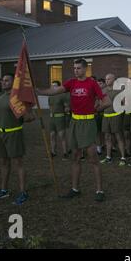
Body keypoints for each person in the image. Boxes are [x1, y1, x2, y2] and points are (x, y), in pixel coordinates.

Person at [38, 59, 111, 202]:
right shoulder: (71, 82)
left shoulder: (92, 83)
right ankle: (75, 189)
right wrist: (38, 91)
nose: (76, 70)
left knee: (93, 159)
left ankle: (99, 190)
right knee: (75, 157)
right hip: (74, 122)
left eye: (78, 68)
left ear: (85, 69)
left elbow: (107, 102)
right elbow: (54, 91)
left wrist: (96, 110)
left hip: (88, 122)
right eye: (74, 68)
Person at [0, 73, 35, 205]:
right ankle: (4, 190)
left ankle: (23, 192)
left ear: (14, 82)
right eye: (2, 80)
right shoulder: (1, 97)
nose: (3, 82)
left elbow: (29, 118)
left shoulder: (16, 98)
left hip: (14, 134)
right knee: (4, 163)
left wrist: (29, 110)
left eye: (7, 80)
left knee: (18, 164)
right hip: (1, 134)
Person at [100, 73, 127, 166]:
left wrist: (120, 112)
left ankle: (123, 157)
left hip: (116, 116)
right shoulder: (103, 91)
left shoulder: (119, 90)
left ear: (114, 80)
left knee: (119, 137)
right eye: (106, 79)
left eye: (109, 79)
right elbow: (100, 103)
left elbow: (124, 103)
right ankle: (108, 157)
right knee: (107, 137)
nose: (107, 81)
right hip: (106, 116)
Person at [48, 81, 70, 160]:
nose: (53, 87)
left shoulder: (62, 96)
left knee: (62, 136)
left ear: (59, 87)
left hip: (60, 118)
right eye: (52, 86)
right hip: (52, 118)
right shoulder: (50, 96)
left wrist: (66, 114)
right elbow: (50, 107)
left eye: (55, 86)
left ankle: (65, 153)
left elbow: (67, 108)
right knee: (52, 135)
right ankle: (53, 152)